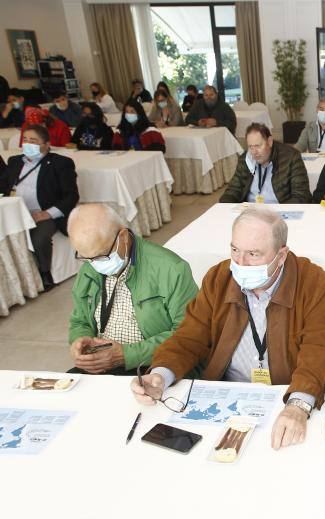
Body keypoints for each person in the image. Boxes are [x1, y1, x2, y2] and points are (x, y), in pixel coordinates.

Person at [131, 208, 325, 450]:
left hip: (284, 398)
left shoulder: (315, 283)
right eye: (234, 250)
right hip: (227, 395)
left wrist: (298, 405)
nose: (240, 263)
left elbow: (319, 351)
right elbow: (189, 337)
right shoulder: (219, 277)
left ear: (281, 255)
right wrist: (160, 375)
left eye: (253, 254)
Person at [67, 204, 198, 375]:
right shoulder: (90, 266)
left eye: (101, 256)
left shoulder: (171, 269)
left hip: (155, 365)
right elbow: (80, 321)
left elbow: (189, 335)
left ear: (123, 236)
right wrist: (79, 341)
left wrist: (127, 355)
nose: (95, 264)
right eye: (85, 258)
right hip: (103, 363)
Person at [0, 125, 79, 290]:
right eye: (26, 140)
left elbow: (71, 195)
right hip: (15, 213)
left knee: (39, 237)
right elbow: (4, 186)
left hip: (42, 213)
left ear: (46, 144)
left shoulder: (60, 163)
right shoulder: (14, 161)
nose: (28, 144)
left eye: (33, 141)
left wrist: (48, 214)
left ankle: (44, 273)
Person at [220, 123, 311, 204]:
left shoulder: (291, 157)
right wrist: (225, 206)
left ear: (270, 142)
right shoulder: (245, 159)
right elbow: (232, 190)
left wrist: (278, 213)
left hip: (280, 212)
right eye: (250, 147)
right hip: (252, 212)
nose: (254, 152)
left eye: (258, 146)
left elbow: (300, 196)